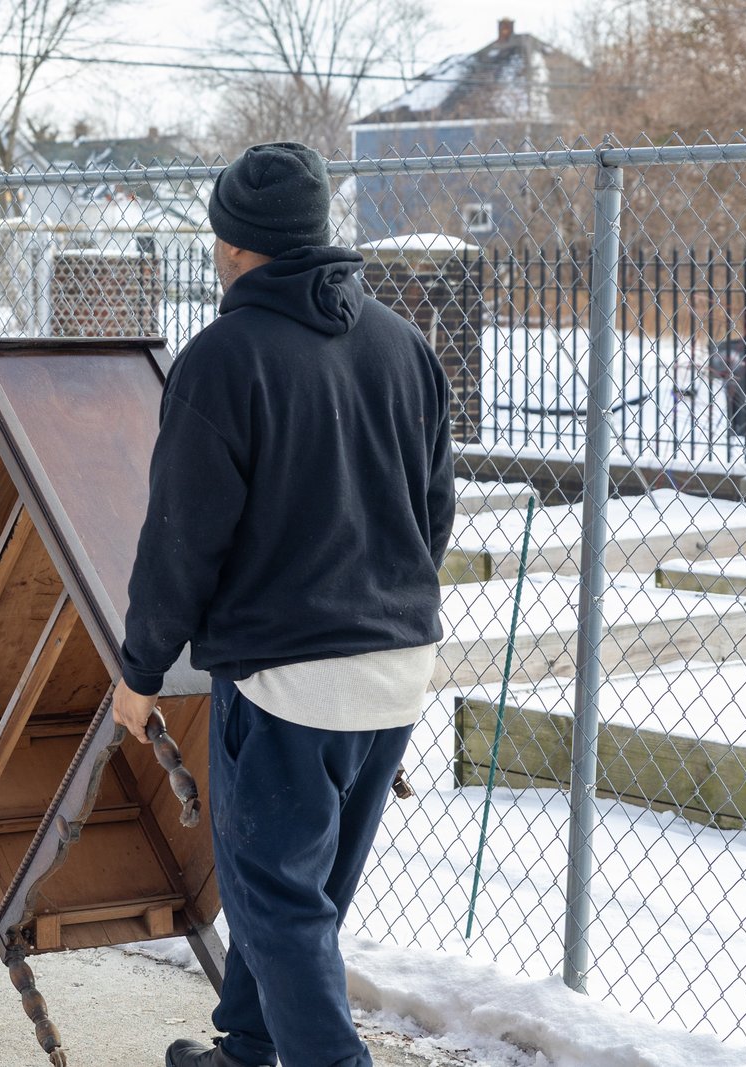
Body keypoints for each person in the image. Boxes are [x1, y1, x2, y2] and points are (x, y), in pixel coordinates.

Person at [110, 142, 455, 1067]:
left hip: (285, 680)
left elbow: (182, 538)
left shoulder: (224, 358)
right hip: (396, 664)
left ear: (229, 244)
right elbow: (434, 512)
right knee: (310, 896)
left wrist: (139, 673)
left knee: (278, 902)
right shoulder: (401, 341)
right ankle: (248, 1046)